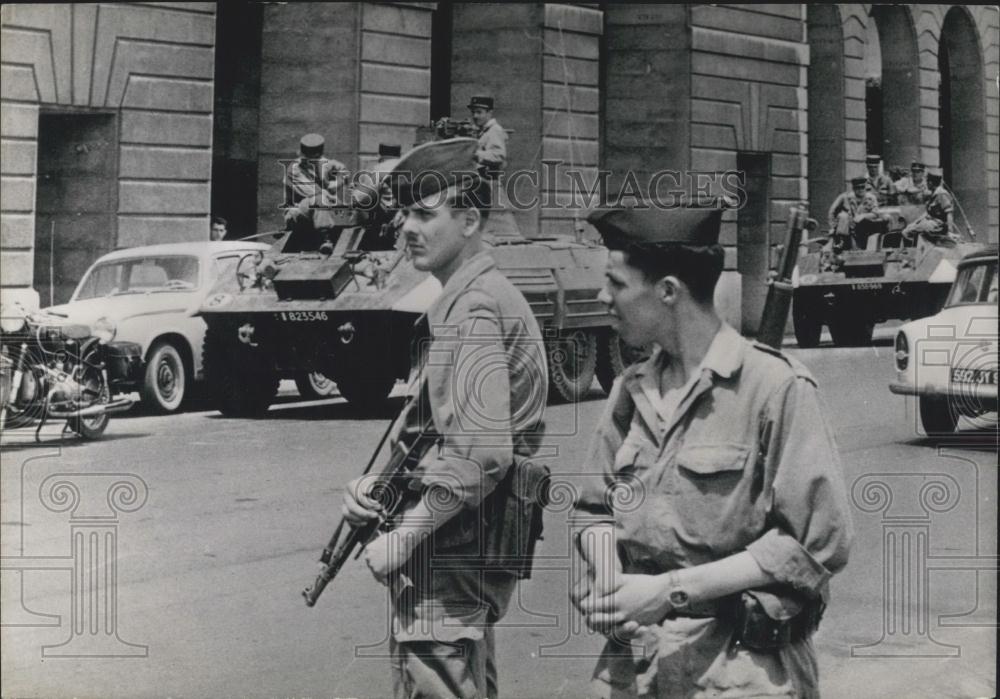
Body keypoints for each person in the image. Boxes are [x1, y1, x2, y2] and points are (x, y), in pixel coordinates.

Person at [570, 203, 852, 698]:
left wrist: (666, 591)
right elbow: (594, 508)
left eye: (616, 284)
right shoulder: (630, 390)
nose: (602, 297)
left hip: (739, 670)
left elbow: (817, 542)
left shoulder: (776, 389)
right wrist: (612, 584)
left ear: (668, 292)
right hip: (635, 666)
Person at [341, 137, 549, 698]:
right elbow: (436, 433)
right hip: (462, 541)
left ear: (470, 220)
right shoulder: (466, 298)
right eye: (403, 212)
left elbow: (481, 453)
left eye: (424, 214)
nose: (407, 227)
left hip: (455, 544)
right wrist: (378, 488)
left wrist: (404, 537)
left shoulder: (474, 309)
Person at [284, 133, 347, 207]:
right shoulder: (294, 170)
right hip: (297, 210)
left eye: (316, 158)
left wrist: (339, 179)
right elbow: (317, 193)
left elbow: (342, 170)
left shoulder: (321, 163)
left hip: (320, 204)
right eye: (307, 157)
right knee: (321, 200)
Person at [901, 172, 955, 244]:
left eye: (927, 182)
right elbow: (927, 213)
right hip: (930, 222)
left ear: (930, 183)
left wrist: (950, 231)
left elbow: (949, 212)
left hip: (937, 225)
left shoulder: (941, 194)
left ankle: (921, 249)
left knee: (909, 232)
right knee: (906, 231)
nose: (926, 184)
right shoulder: (933, 193)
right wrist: (915, 223)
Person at [467, 95, 507, 176]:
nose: (475, 116)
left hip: (489, 181)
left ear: (489, 113)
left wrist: (473, 154)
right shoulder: (482, 130)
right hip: (480, 179)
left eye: (479, 112)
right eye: (473, 112)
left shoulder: (494, 130)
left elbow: (498, 156)